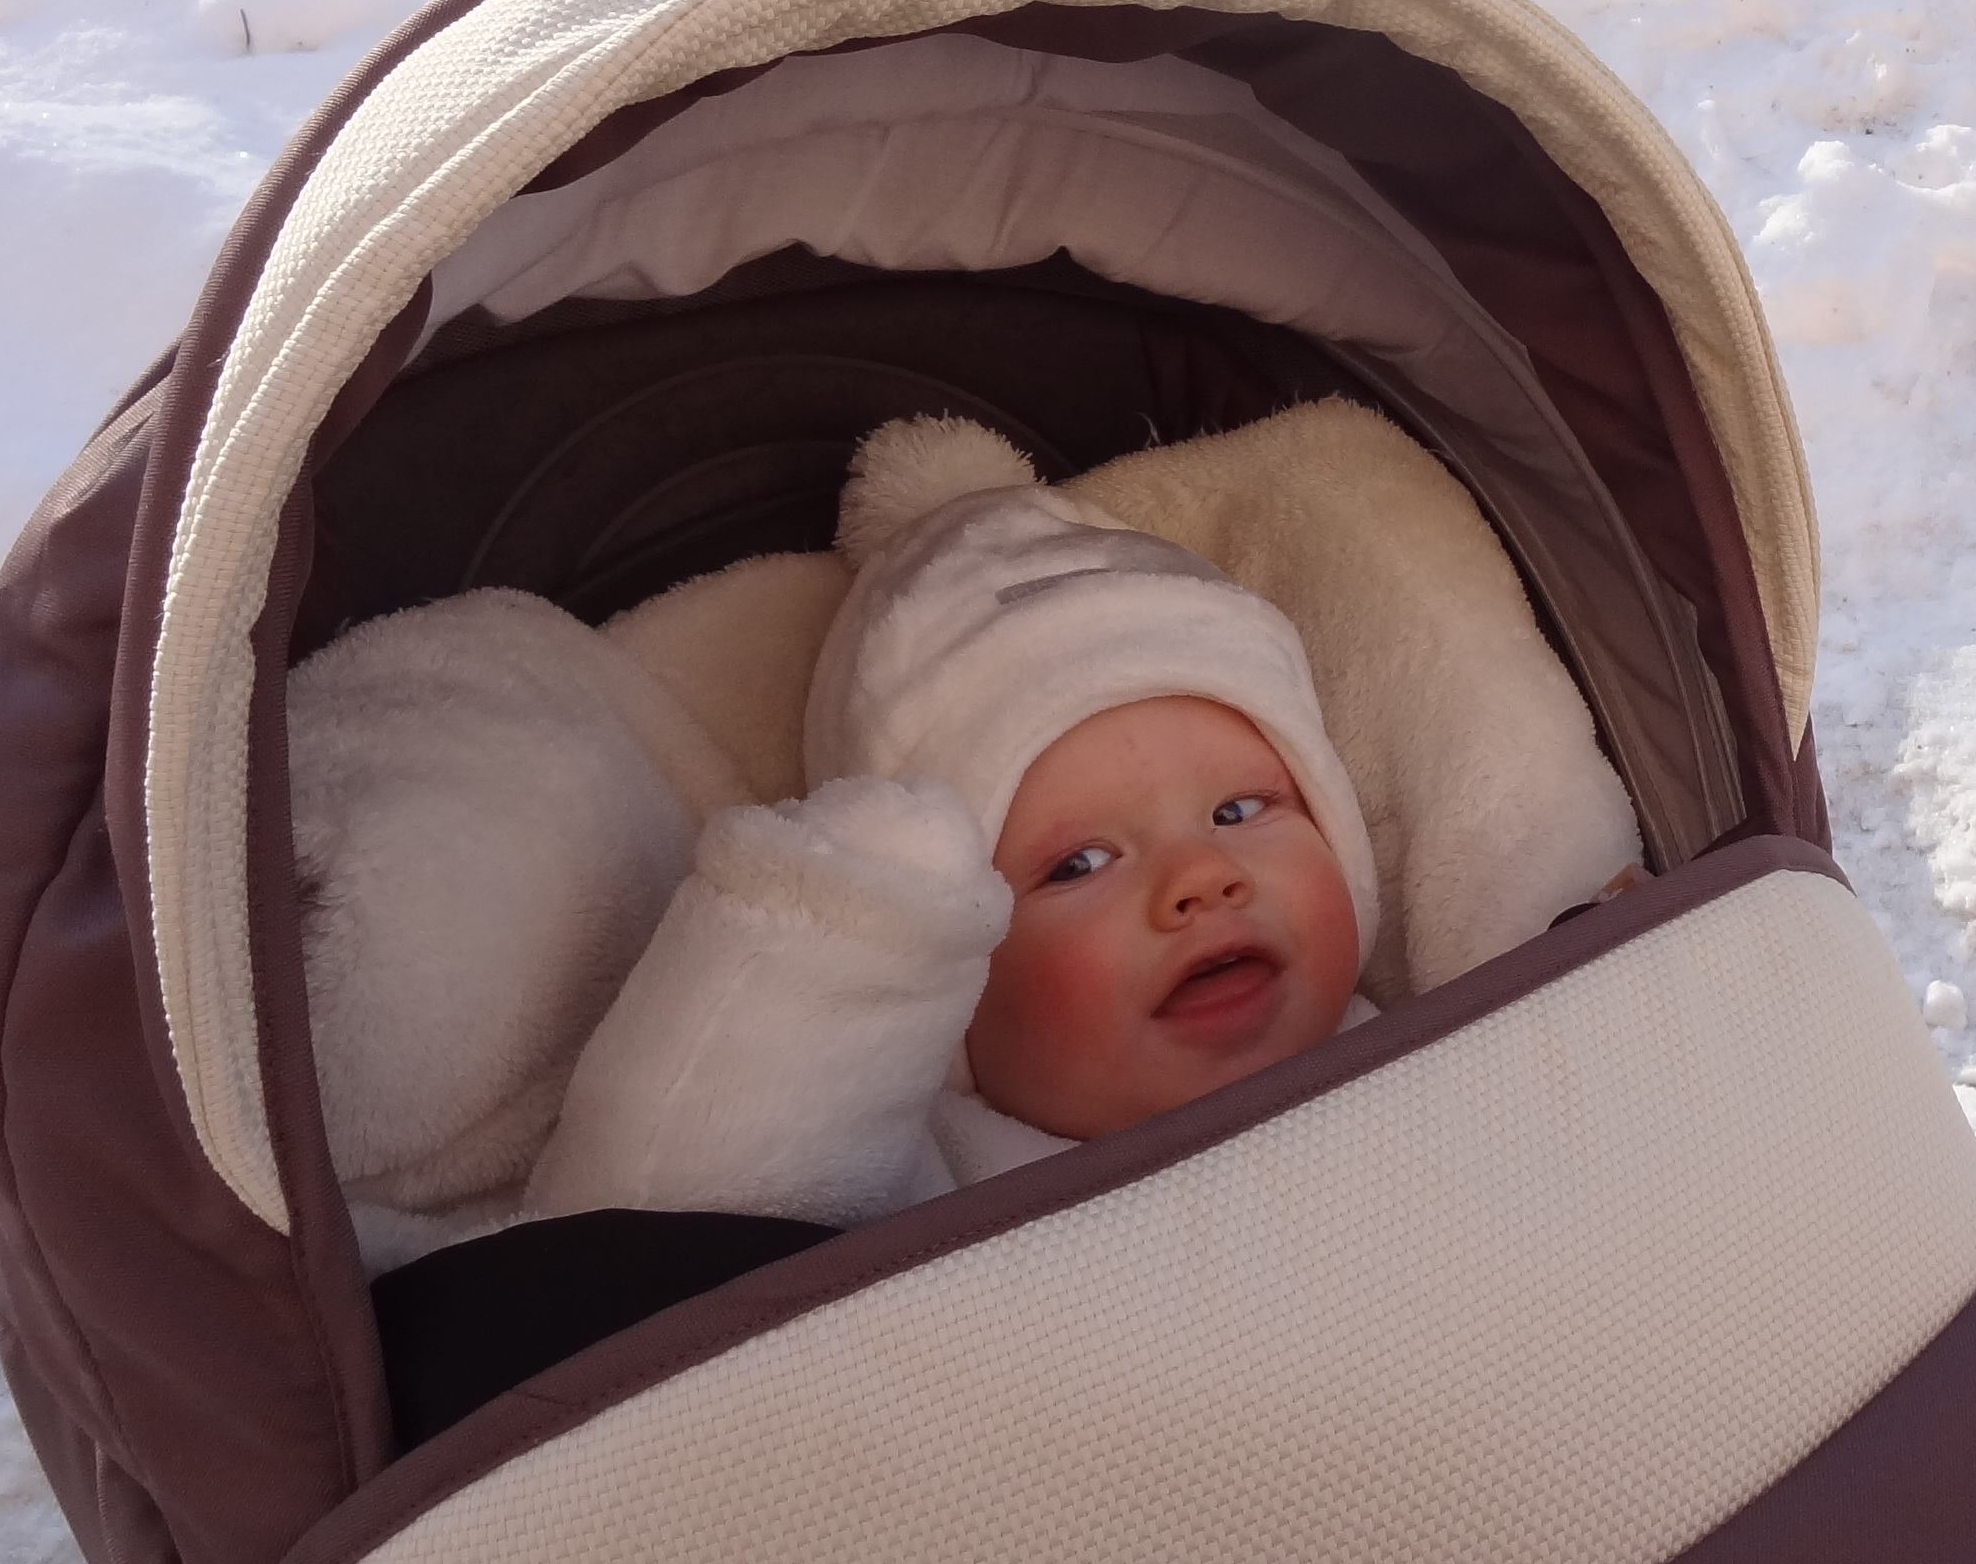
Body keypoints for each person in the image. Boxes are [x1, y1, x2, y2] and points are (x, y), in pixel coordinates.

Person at [523, 482, 1384, 1227]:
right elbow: (675, 1233)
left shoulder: (1432, 1047)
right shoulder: (929, 1176)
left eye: (1239, 810)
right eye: (1079, 864)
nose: (1201, 878)